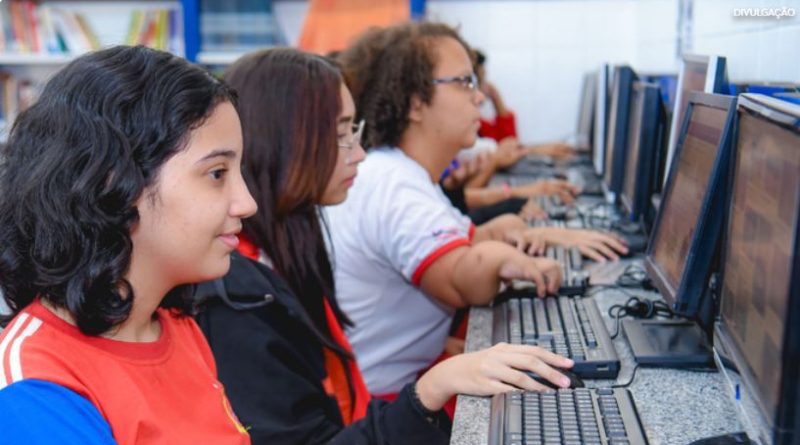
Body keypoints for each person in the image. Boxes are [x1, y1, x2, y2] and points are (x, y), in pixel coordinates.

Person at [193, 48, 574, 445]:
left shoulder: (294, 242)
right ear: (285, 143)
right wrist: (431, 388)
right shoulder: (239, 298)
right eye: (341, 135)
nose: (359, 153)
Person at [329, 22, 628, 399]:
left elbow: (461, 242)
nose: (480, 96)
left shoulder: (401, 173)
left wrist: (506, 232)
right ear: (415, 102)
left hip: (392, 379)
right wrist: (503, 257)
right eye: (464, 82)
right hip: (379, 405)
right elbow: (460, 282)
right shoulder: (396, 187)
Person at [0, 46, 257, 445]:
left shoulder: (176, 328)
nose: (247, 203)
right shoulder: (36, 387)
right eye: (216, 173)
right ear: (115, 181)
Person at [473, 49, 577, 161]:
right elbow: (501, 152)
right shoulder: (467, 128)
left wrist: (495, 96)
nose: (484, 90)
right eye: (480, 81)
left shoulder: (477, 123)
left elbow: (506, 142)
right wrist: (534, 150)